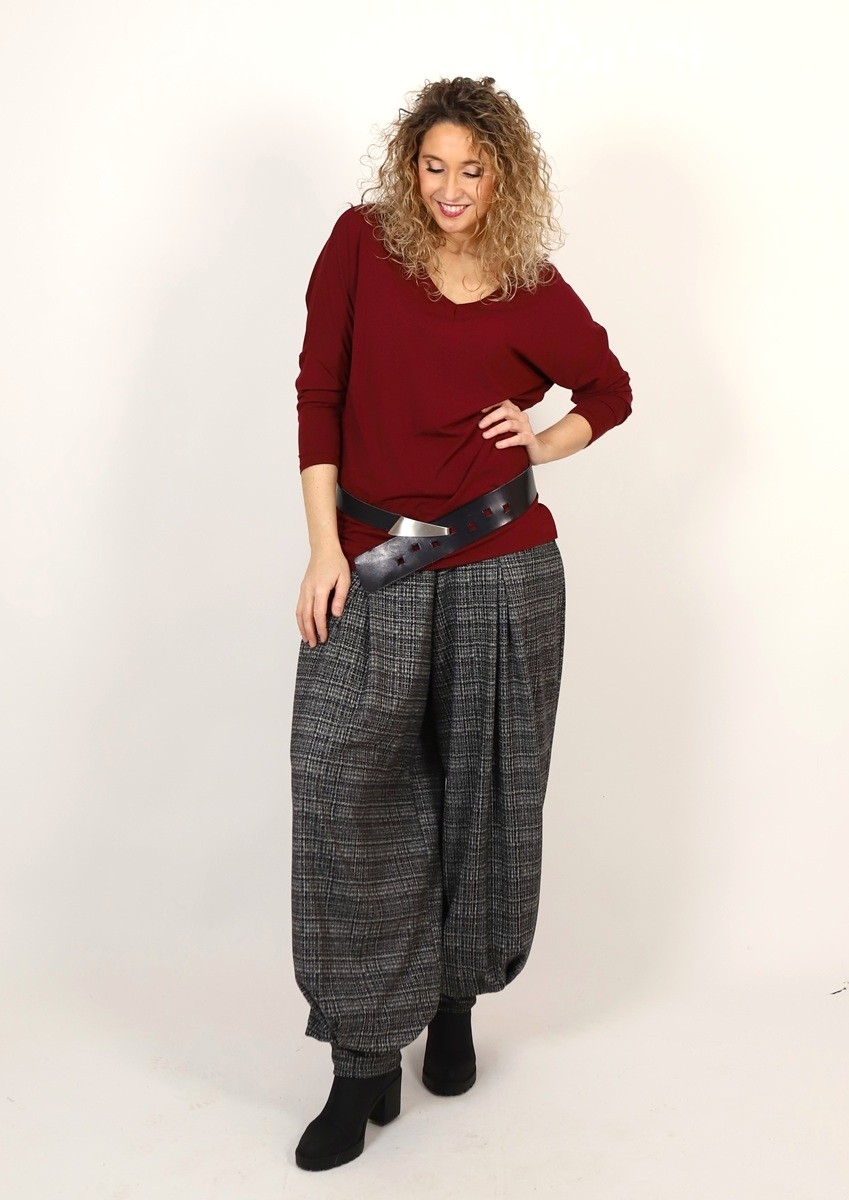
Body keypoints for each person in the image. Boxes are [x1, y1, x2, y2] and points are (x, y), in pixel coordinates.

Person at [290, 75, 632, 1171]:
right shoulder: (360, 245)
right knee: (346, 790)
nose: (449, 188)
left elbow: (609, 389)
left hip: (504, 565)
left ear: (503, 176)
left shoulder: (530, 285)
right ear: (409, 166)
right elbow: (318, 394)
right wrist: (324, 548)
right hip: (373, 562)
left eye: (471, 170)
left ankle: (452, 1004)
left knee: (483, 794)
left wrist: (541, 439)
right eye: (433, 165)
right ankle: (361, 1061)